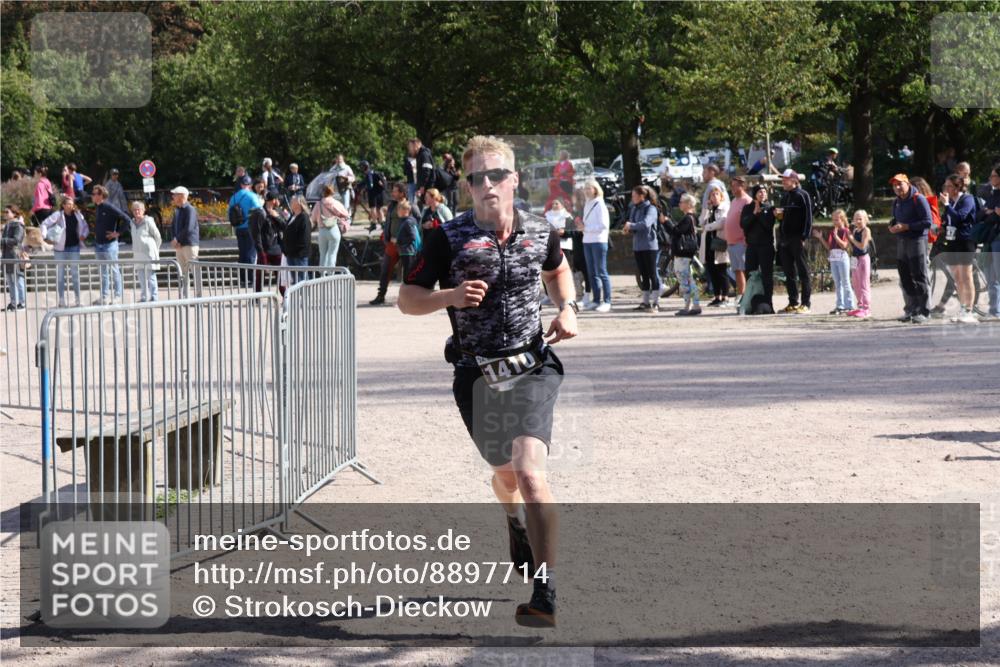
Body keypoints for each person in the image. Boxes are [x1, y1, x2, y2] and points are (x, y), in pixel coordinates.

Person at [398, 135, 577, 628]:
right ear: (468, 186)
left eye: (497, 175)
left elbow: (559, 272)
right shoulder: (447, 237)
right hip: (475, 375)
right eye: (478, 177)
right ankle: (514, 522)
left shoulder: (541, 231)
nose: (488, 185)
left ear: (515, 179)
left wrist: (568, 307)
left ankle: (546, 591)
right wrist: (450, 296)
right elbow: (407, 298)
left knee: (530, 473)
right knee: (504, 472)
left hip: (533, 368)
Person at [888, 173, 933, 323]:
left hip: (917, 241)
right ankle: (912, 310)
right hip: (902, 242)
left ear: (907, 184)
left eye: (900, 184)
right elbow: (895, 219)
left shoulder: (918, 199)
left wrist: (907, 226)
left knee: (919, 276)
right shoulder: (896, 202)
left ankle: (924, 311)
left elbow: (928, 222)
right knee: (905, 276)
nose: (897, 187)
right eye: (895, 185)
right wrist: (892, 226)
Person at [938, 174, 979, 324]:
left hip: (965, 241)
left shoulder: (967, 199)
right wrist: (941, 227)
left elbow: (960, 217)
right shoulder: (951, 201)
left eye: (949, 186)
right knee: (957, 278)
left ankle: (969, 310)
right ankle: (963, 308)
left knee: (966, 276)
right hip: (952, 241)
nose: (946, 189)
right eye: (945, 186)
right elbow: (948, 219)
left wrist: (947, 205)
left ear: (957, 187)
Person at [911, 176, 952, 317]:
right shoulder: (927, 202)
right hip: (925, 242)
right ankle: (922, 307)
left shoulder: (926, 203)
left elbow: (934, 225)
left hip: (925, 242)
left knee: (923, 275)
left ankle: (926, 308)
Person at [776, 169, 813, 313]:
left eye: (785, 179)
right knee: (789, 272)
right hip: (785, 239)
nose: (783, 182)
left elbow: (809, 218)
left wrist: (804, 237)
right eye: (782, 179)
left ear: (794, 181)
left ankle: (806, 303)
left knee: (803, 271)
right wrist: (779, 216)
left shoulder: (803, 195)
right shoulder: (785, 197)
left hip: (798, 238)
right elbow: (783, 218)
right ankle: (793, 302)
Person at [41, 198, 89, 307]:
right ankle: (61, 300)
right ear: (63, 205)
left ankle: (78, 300)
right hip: (60, 249)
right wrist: (44, 236)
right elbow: (44, 224)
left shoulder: (78, 215)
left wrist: (83, 235)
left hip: (74, 248)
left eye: (72, 204)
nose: (70, 206)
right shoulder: (58, 215)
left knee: (75, 275)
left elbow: (86, 227)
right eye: (68, 204)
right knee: (61, 276)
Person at [89, 185, 132, 305]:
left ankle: (118, 296)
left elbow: (127, 219)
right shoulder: (97, 207)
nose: (92, 196)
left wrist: (118, 233)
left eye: (94, 193)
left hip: (109, 245)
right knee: (103, 272)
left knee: (114, 270)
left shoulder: (109, 206)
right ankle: (104, 297)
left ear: (101, 196)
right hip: (99, 244)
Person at [370, 182, 409, 305]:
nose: (393, 193)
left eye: (395, 191)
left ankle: (409, 298)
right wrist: (386, 237)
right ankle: (381, 295)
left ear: (402, 193)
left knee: (408, 273)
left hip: (406, 246)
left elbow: (415, 224)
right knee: (385, 269)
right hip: (391, 244)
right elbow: (388, 222)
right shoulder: (392, 205)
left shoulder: (410, 206)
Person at [624, 185, 661, 312]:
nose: (632, 198)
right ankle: (645, 302)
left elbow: (645, 224)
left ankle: (655, 302)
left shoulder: (651, 209)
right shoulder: (634, 209)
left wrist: (631, 225)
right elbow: (634, 225)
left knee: (652, 273)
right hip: (638, 246)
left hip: (650, 246)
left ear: (642, 196)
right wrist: (628, 229)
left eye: (634, 196)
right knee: (643, 274)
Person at [741, 184, 778, 312]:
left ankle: (769, 304)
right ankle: (751, 303)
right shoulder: (747, 208)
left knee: (767, 276)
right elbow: (743, 224)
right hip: (752, 246)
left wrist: (760, 213)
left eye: (764, 192)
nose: (762, 194)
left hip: (766, 246)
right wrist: (754, 214)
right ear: (754, 194)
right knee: (749, 274)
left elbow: (768, 226)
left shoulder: (770, 208)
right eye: (759, 192)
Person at [812, 209, 856, 314]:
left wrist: (836, 237)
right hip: (833, 258)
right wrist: (821, 238)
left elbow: (844, 246)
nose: (835, 222)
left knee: (845, 282)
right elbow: (829, 247)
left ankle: (849, 305)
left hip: (842, 257)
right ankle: (840, 305)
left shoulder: (846, 231)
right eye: (834, 220)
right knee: (837, 283)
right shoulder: (833, 231)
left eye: (837, 220)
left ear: (842, 219)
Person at [579, 179, 611, 312]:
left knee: (601, 272)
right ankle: (596, 300)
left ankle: (607, 301)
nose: (587, 191)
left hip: (598, 240)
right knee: (592, 273)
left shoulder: (600, 204)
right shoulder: (587, 204)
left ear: (595, 189)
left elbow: (603, 225)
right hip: (587, 240)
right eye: (585, 188)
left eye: (589, 188)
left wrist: (586, 228)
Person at [229, 175, 264, 285]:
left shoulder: (233, 197)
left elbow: (229, 213)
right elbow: (260, 211)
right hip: (250, 228)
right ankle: (250, 279)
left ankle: (242, 279)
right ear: (249, 185)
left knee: (242, 253)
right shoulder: (252, 196)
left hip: (238, 229)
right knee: (251, 254)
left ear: (240, 185)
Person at [670, 193, 702, 316]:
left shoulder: (688, 218)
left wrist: (667, 222)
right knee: (686, 279)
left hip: (683, 254)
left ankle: (693, 305)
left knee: (686, 280)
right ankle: (691, 304)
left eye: (682, 202)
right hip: (685, 254)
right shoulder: (691, 218)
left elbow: (676, 231)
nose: (680, 204)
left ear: (688, 204)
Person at [699, 187, 731, 307]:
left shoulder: (724, 208)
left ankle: (725, 297)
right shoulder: (710, 209)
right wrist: (706, 209)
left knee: (721, 271)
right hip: (708, 244)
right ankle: (717, 296)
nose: (714, 196)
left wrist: (708, 227)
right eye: (712, 195)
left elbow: (722, 223)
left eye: (716, 194)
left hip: (719, 243)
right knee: (712, 271)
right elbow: (701, 222)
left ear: (721, 196)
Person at [251, 193, 286, 291]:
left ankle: (285, 297)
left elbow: (285, 227)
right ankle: (256, 298)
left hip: (277, 248)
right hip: (265, 249)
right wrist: (260, 251)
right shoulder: (260, 213)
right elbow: (256, 233)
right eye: (277, 199)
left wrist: (276, 217)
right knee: (260, 276)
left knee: (280, 277)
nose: (279, 202)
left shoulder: (277, 211)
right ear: (273, 200)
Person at [725, 175, 752, 300]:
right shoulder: (734, 201)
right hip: (732, 242)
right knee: (737, 270)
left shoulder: (747, 201)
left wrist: (746, 240)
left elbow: (749, 222)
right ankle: (741, 295)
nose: (732, 188)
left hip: (741, 242)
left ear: (742, 186)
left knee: (743, 270)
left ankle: (745, 296)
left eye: (734, 185)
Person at [169, 186, 199, 298]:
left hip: (189, 244)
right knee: (182, 272)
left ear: (182, 196)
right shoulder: (177, 209)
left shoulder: (190, 209)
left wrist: (177, 239)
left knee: (195, 271)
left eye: (175, 194)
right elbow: (173, 226)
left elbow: (189, 227)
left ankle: (199, 296)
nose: (173, 197)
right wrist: (174, 239)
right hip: (179, 245)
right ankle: (185, 296)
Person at [129, 200, 162, 302]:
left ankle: (154, 297)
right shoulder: (132, 222)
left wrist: (155, 249)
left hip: (149, 253)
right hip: (138, 253)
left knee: (150, 276)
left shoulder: (148, 221)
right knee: (141, 277)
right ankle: (144, 296)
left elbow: (157, 236)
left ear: (143, 210)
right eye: (134, 210)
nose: (136, 212)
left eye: (138, 210)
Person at [311, 184, 349, 268]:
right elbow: (346, 214)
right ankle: (330, 277)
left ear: (322, 192)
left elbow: (313, 218)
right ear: (332, 192)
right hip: (333, 229)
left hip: (322, 231)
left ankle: (322, 277)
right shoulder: (335, 202)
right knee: (332, 254)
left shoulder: (318, 204)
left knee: (323, 255)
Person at [846, 209, 872, 318]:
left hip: (863, 259)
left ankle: (867, 308)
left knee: (863, 283)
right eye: (856, 219)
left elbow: (862, 246)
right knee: (855, 283)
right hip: (855, 258)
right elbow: (852, 246)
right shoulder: (855, 230)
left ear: (865, 219)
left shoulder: (866, 230)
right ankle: (860, 306)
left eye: (860, 219)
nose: (858, 221)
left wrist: (851, 239)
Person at [983, 165, 1000, 322]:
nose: (990, 179)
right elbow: (985, 212)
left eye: (993, 176)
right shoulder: (993, 193)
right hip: (990, 237)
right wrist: (992, 211)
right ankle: (994, 310)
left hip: (997, 239)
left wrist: (992, 211)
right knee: (991, 275)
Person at [2, 206, 27, 311]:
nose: (5, 214)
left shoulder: (18, 225)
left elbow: (16, 240)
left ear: (14, 214)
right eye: (5, 212)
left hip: (15, 255)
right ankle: (13, 303)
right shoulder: (7, 225)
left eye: (7, 212)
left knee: (18, 280)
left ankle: (22, 304)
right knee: (10, 282)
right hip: (7, 256)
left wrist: (2, 241)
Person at [284, 195, 313, 283]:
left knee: (302, 280)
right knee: (296, 281)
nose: (290, 203)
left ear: (299, 203)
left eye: (293, 201)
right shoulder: (293, 217)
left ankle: (305, 296)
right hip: (291, 254)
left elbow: (305, 238)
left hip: (299, 255)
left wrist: (299, 251)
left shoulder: (304, 217)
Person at [393, 200, 421, 277]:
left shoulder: (408, 222)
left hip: (409, 252)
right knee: (407, 273)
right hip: (405, 251)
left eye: (399, 209)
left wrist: (399, 241)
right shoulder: (404, 221)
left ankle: (409, 288)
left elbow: (413, 237)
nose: (397, 211)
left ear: (406, 210)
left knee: (408, 274)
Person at [405, 138, 435, 210]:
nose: (409, 150)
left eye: (410, 147)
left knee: (427, 207)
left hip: (427, 187)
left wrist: (422, 185)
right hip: (425, 186)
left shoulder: (424, 154)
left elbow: (426, 171)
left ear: (416, 145)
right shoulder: (420, 155)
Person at [358, 161, 387, 230]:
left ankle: (374, 224)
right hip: (380, 193)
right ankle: (383, 224)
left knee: (373, 208)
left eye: (361, 167)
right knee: (379, 209)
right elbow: (364, 182)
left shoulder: (368, 174)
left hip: (373, 194)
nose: (360, 168)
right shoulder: (373, 172)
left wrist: (364, 190)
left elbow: (370, 185)